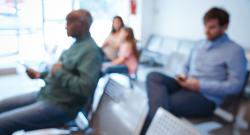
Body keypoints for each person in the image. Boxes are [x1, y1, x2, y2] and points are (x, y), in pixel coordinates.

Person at [141, 7, 247, 134]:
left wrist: (199, 85)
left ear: (225, 27)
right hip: (185, 84)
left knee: (158, 103)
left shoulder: (235, 51)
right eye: (205, 26)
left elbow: (235, 86)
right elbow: (185, 66)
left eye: (212, 27)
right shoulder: (199, 44)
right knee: (153, 76)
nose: (206, 31)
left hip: (205, 97)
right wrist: (183, 76)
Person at [0, 9, 102, 134]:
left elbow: (84, 88)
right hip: (46, 94)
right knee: (2, 105)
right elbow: (61, 72)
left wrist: (59, 72)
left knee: (3, 122)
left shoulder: (91, 52)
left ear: (81, 25)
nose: (66, 27)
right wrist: (40, 75)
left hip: (61, 105)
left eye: (69, 23)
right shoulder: (76, 45)